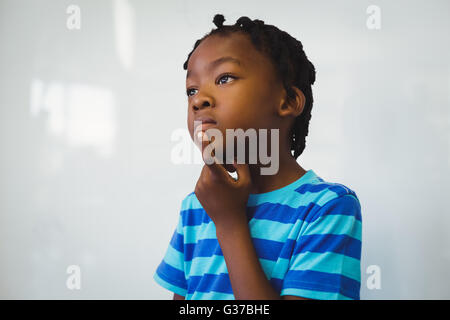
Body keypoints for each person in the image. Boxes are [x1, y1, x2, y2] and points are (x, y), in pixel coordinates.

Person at [153, 14, 362, 300]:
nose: (198, 100)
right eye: (192, 90)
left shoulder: (327, 208)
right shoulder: (196, 206)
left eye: (224, 78)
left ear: (287, 101)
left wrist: (229, 221)